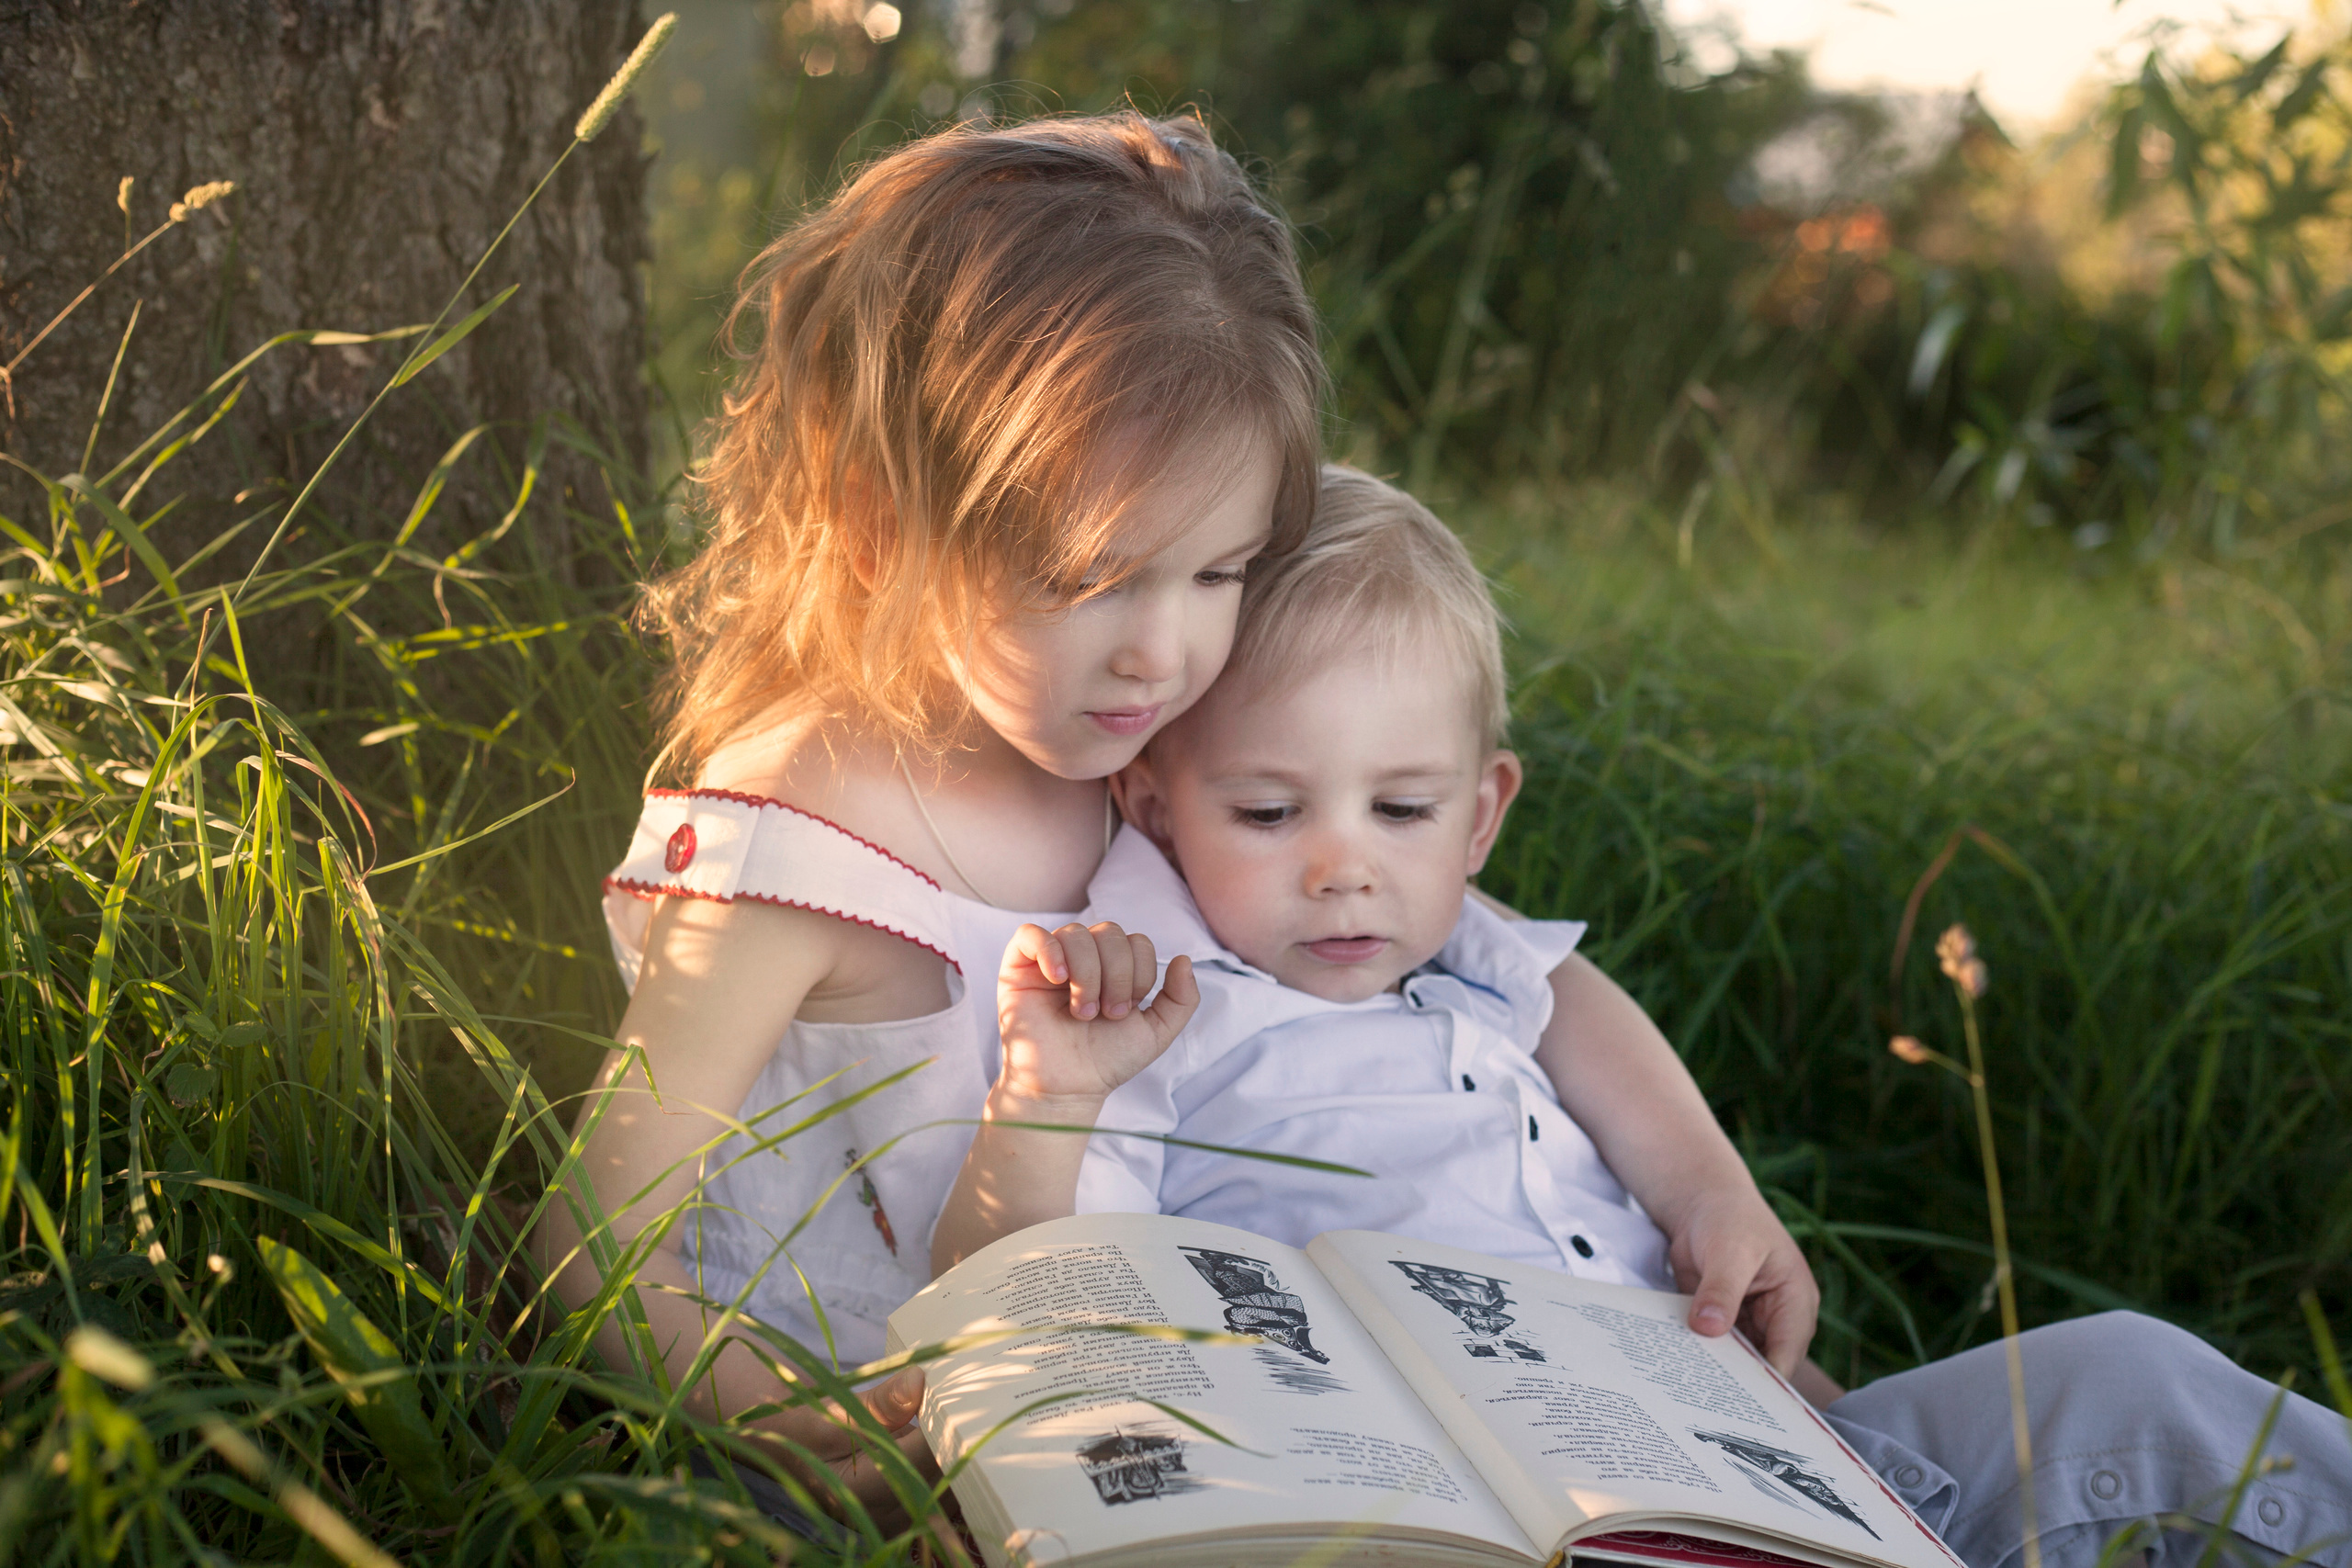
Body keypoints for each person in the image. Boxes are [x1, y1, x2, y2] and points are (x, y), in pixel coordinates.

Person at [931, 466, 2352, 1568]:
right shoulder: (1147, 995)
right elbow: (1025, 1297)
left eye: (1404, 808)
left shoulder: (1444, 942)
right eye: (1267, 810)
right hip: (1476, 1520)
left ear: (1483, 813)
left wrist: (1713, 1194)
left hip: (1782, 1456)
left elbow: (1569, 1001)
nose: (1343, 862)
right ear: (1150, 799)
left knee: (2134, 1381)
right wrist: (1043, 1099)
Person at [535, 109, 1321, 1506]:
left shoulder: (1145, 760)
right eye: (1094, 576)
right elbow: (592, 1252)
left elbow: (1465, 938)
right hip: (858, 1449)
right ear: (879, 517)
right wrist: (778, 1424)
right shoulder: (799, 836)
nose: (1164, 651)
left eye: (1222, 572)